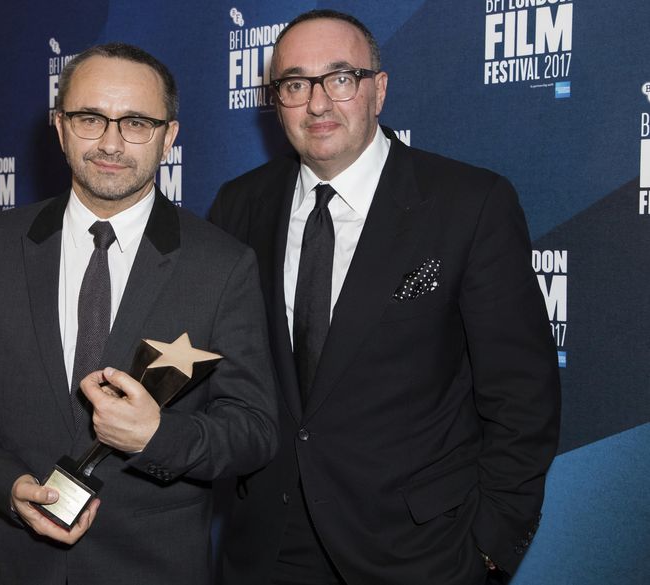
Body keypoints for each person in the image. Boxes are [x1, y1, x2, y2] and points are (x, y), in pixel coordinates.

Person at [209, 9, 560, 585]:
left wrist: (490, 548)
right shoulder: (239, 205)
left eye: (341, 78)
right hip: (270, 547)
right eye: (295, 84)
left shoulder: (469, 204)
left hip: (421, 550)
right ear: (276, 101)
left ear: (380, 89)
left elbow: (523, 395)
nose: (318, 103)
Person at [0, 42, 277, 585]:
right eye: (89, 118)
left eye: (136, 123)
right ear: (59, 127)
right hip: (13, 562)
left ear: (169, 136)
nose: (110, 142)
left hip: (153, 569)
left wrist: (158, 436)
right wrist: (7, 484)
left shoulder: (222, 265)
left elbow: (255, 429)